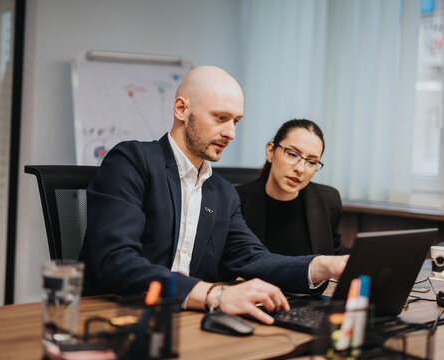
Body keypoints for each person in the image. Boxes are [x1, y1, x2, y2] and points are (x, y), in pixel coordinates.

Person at [80, 66, 349, 324]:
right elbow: (116, 261)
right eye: (220, 118)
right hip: (116, 315)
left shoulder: (221, 192)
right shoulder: (132, 161)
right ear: (182, 109)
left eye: (236, 122)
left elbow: (252, 258)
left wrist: (323, 266)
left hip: (186, 321)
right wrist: (214, 295)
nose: (230, 133)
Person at [237, 119, 349, 257]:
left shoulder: (328, 200)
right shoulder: (235, 201)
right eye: (292, 154)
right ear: (271, 151)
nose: (300, 169)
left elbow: (336, 253)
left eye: (312, 162)